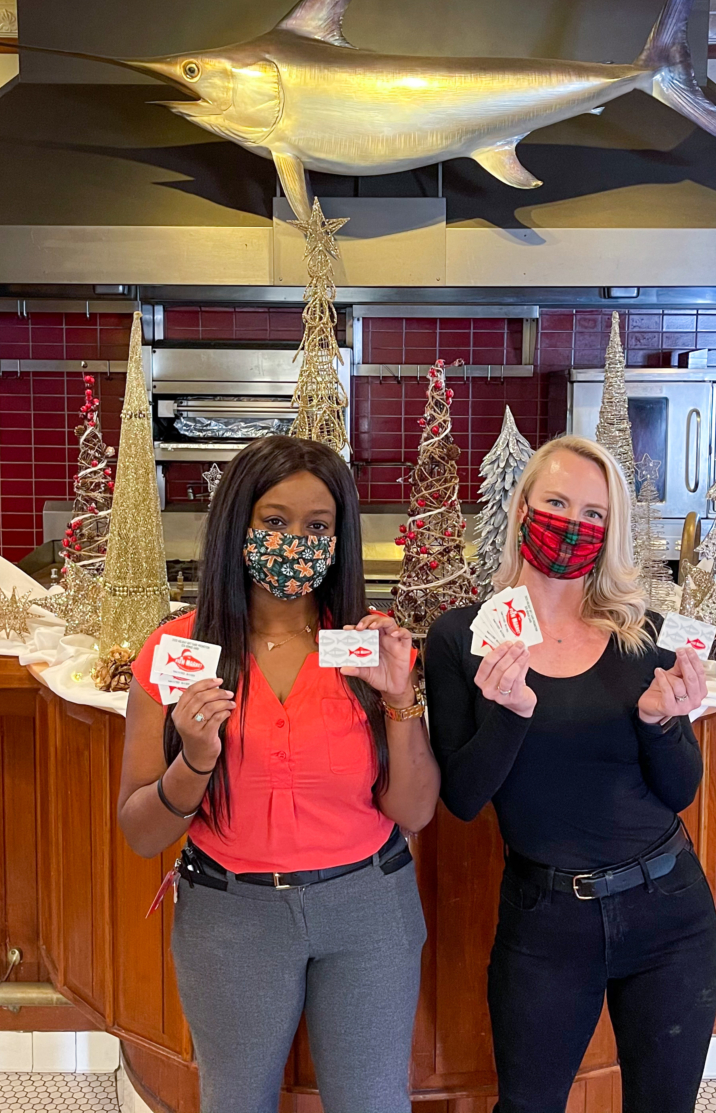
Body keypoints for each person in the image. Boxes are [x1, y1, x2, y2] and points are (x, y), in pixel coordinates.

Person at [117, 435, 439, 1113]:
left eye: (317, 526)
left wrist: (400, 699)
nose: (297, 540)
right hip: (230, 918)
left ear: (339, 538)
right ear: (239, 525)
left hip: (369, 909)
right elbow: (142, 833)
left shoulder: (363, 648)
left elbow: (413, 812)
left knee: (375, 1102)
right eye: (275, 521)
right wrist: (196, 760)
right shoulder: (175, 651)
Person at [425, 435, 716, 1113]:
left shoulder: (642, 635)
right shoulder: (462, 637)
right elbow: (465, 799)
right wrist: (512, 712)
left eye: (593, 514)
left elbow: (681, 791)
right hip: (546, 921)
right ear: (523, 508)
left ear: (610, 532)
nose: (573, 524)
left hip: (670, 911)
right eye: (557, 502)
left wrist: (662, 722)